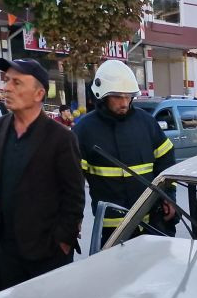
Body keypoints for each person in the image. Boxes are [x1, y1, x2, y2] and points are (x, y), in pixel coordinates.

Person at [0, 58, 84, 286]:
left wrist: (63, 242)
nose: (7, 88)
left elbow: (74, 196)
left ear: (39, 94)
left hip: (47, 253)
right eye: (7, 81)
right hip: (6, 250)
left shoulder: (61, 138)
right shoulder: (0, 127)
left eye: (17, 83)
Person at [74, 59, 177, 246]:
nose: (124, 103)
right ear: (102, 96)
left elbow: (166, 161)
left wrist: (169, 195)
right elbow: (73, 180)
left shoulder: (147, 123)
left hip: (151, 224)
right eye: (117, 97)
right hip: (111, 229)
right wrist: (73, 217)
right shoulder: (84, 131)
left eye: (128, 96)